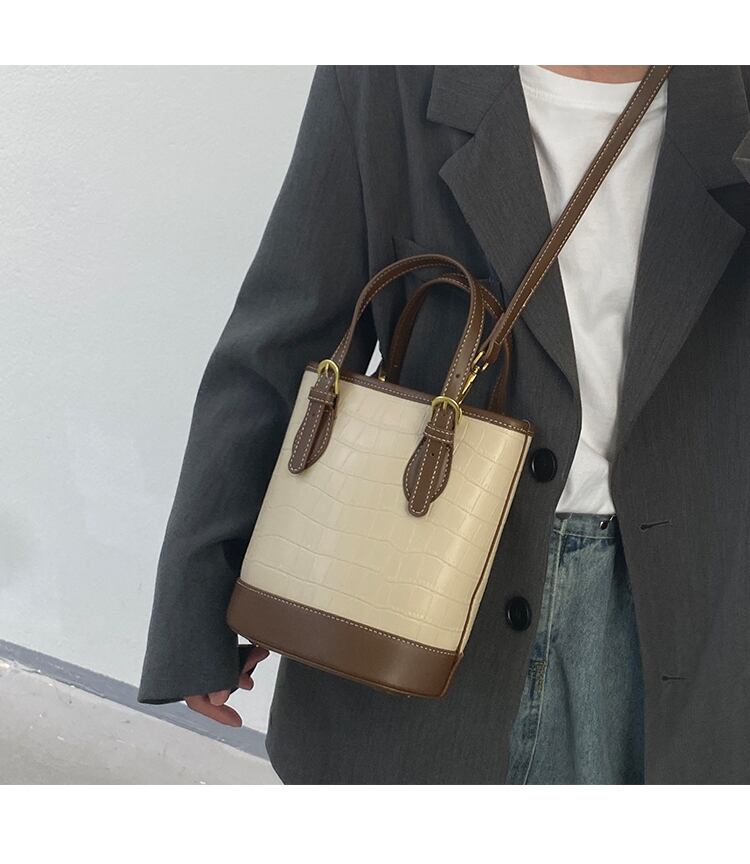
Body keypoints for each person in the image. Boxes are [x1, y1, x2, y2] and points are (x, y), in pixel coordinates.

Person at [138, 65, 750, 784]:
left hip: (684, 616)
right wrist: (199, 606)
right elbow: (287, 334)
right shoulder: (391, 73)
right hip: (408, 589)